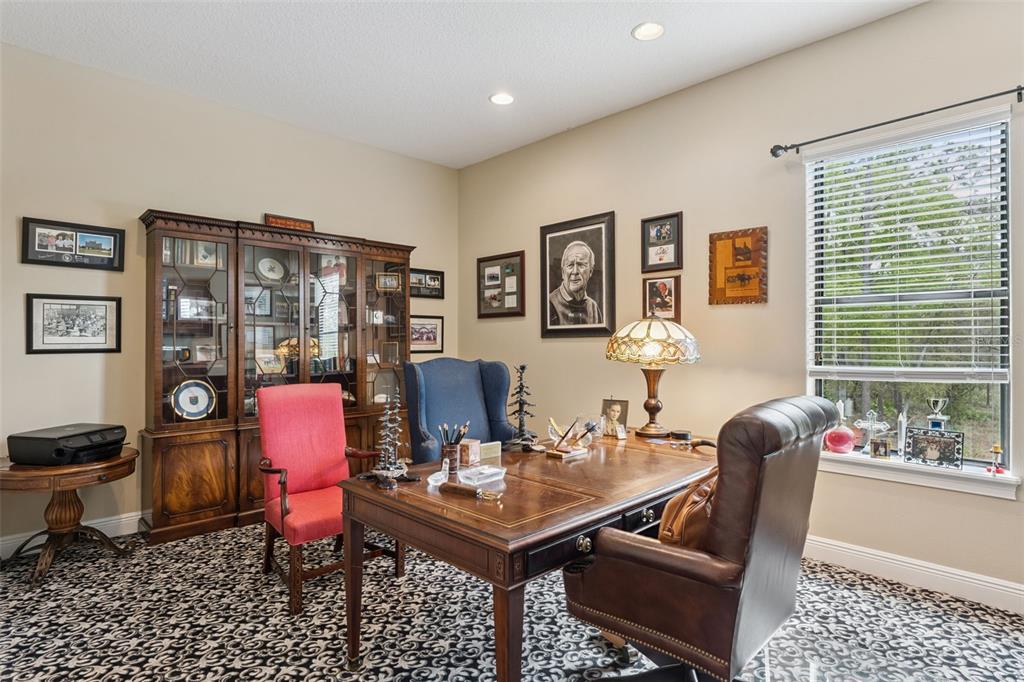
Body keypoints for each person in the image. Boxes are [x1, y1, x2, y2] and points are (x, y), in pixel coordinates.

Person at [548, 240, 602, 325]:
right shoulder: (550, 304)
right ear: (563, 272)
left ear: (591, 271)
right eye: (570, 265)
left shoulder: (593, 307)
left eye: (581, 265)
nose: (575, 271)